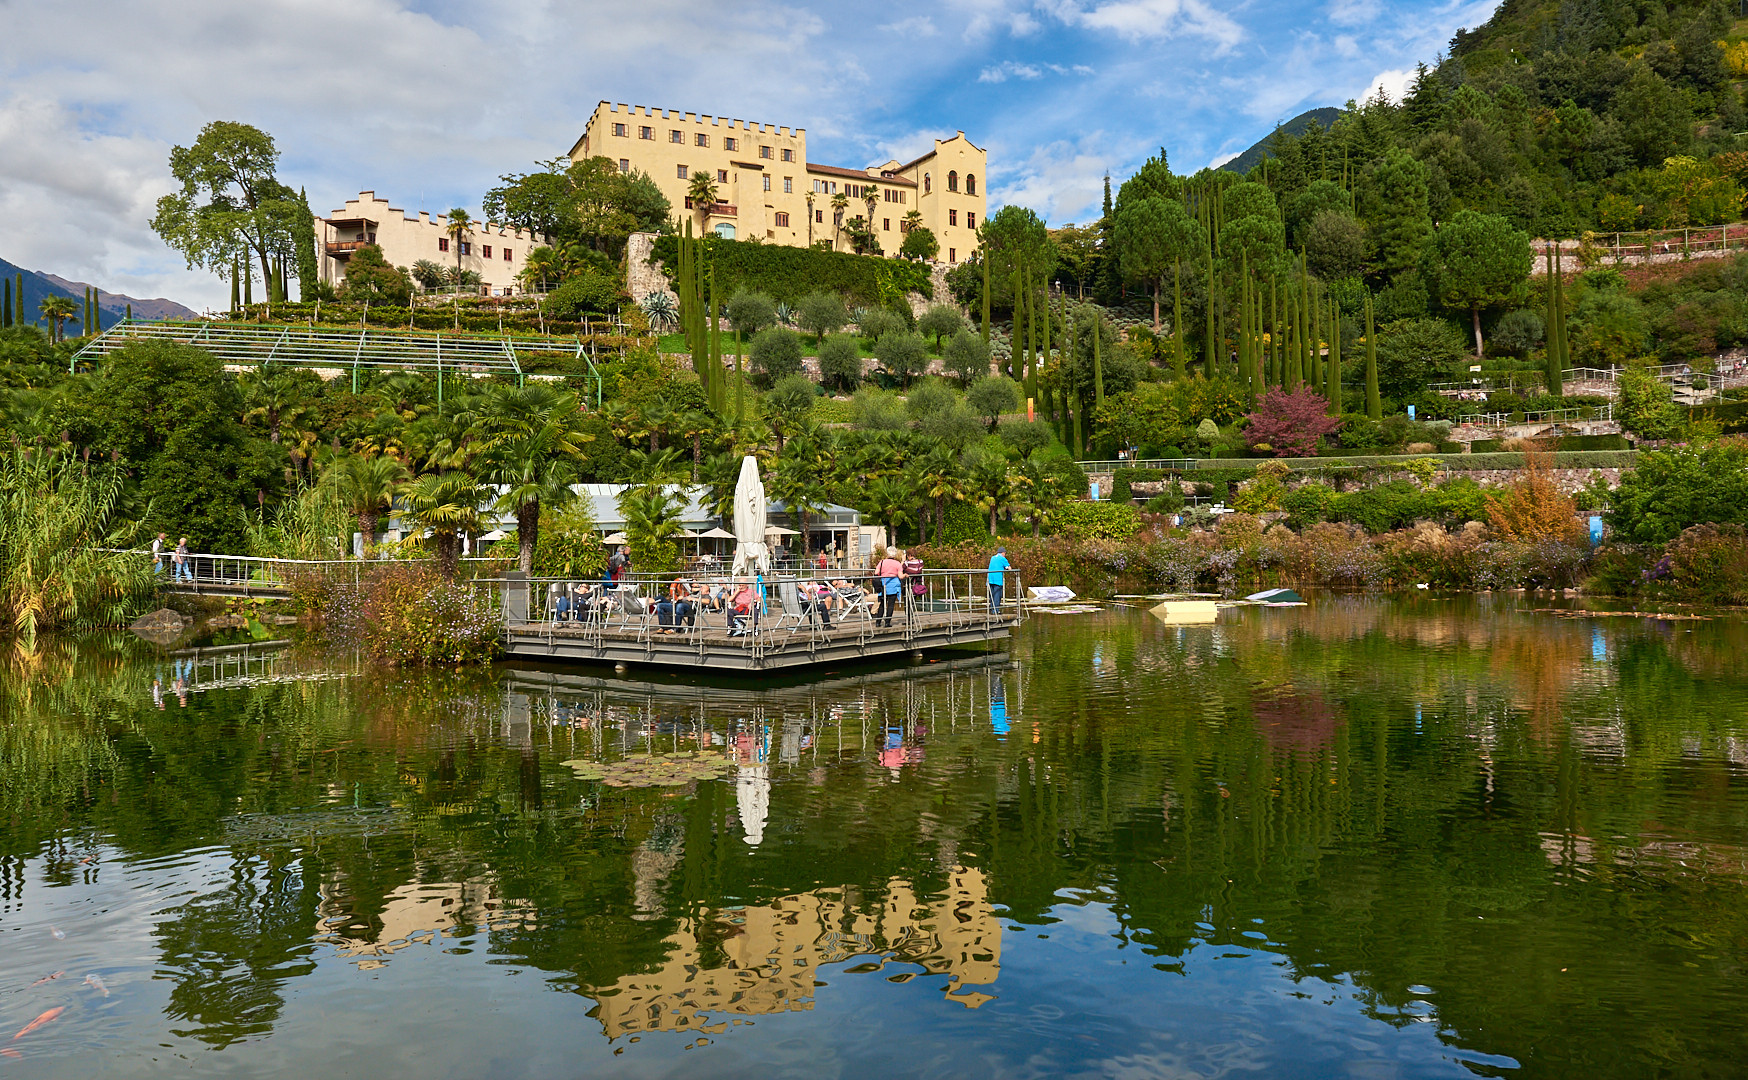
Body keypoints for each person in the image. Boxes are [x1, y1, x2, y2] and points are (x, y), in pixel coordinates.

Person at [874, 548, 904, 628]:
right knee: (891, 605)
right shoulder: (897, 564)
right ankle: (887, 622)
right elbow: (900, 576)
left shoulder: (882, 562)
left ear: (887, 554)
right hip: (894, 586)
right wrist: (905, 575)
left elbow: (876, 572)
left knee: (882, 604)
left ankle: (878, 622)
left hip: (883, 584)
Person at [987, 546, 1012, 615]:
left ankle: (992, 609)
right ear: (1003, 553)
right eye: (1005, 553)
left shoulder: (993, 558)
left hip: (990, 579)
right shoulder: (1002, 559)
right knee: (997, 595)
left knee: (991, 595)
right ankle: (996, 611)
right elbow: (1009, 568)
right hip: (997, 579)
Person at [903, 551, 925, 617]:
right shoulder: (920, 561)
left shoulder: (907, 563)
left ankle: (908, 618)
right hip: (917, 584)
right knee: (913, 601)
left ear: (909, 555)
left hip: (908, 583)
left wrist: (903, 560)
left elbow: (901, 568)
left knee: (907, 601)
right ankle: (911, 616)